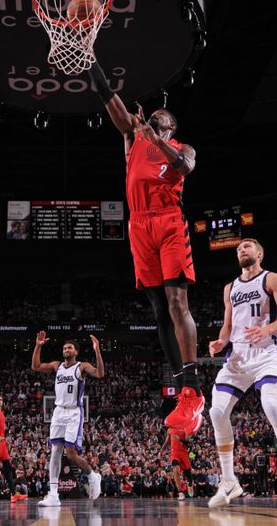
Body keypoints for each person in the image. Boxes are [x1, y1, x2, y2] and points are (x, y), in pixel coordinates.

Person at [86, 60, 202, 433]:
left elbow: (184, 168)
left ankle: (193, 388)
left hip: (168, 221)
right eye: (150, 116)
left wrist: (156, 141)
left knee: (176, 302)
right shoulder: (132, 136)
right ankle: (181, 386)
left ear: (171, 126)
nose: (153, 118)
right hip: (138, 223)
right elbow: (110, 99)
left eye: (160, 116)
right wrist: (90, 60)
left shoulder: (182, 146)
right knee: (157, 310)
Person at [207, 238, 277, 507]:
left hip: (265, 352)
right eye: (239, 248)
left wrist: (267, 329)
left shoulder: (272, 279)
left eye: (247, 246)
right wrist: (221, 341)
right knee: (216, 412)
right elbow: (227, 326)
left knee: (272, 408)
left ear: (260, 253)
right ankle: (229, 482)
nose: (242, 249)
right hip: (238, 356)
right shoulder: (229, 288)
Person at [32, 331, 105, 506]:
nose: (66, 349)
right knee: (55, 452)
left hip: (73, 412)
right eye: (65, 347)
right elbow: (35, 366)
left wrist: (98, 351)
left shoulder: (82, 367)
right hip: (58, 411)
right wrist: (38, 346)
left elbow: (100, 373)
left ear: (76, 352)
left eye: (70, 347)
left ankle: (92, 476)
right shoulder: (57, 366)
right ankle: (53, 495)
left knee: (71, 455)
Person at [162, 427, 194, 500]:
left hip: (184, 453)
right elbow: (167, 441)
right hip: (174, 453)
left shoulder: (186, 427)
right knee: (176, 470)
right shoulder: (170, 429)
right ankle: (180, 492)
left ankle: (190, 484)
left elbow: (189, 442)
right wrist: (161, 450)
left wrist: (179, 439)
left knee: (188, 473)